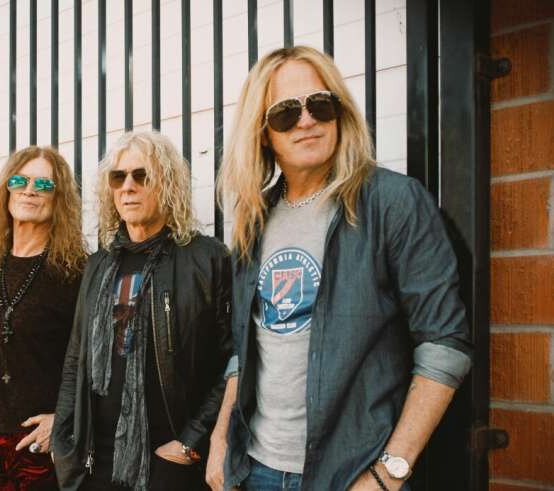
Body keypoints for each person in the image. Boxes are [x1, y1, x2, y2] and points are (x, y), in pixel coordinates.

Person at [207, 45, 473, 491]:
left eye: (320, 104)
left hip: (353, 473)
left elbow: (444, 345)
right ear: (263, 133)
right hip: (257, 469)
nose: (306, 120)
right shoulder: (255, 220)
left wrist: (389, 473)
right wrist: (220, 441)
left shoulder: (392, 202)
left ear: (340, 112)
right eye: (285, 113)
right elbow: (245, 348)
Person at [52, 131, 233, 491]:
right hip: (95, 461)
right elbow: (76, 357)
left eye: (142, 175)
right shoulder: (98, 265)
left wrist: (191, 441)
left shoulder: (206, 259)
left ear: (167, 184)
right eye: (118, 177)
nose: (128, 187)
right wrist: (63, 437)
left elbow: (234, 360)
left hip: (167, 460)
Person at [0, 146, 88, 490]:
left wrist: (62, 419)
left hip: (41, 448)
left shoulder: (75, 271)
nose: (29, 190)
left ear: (59, 198)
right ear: (6, 190)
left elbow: (92, 360)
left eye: (44, 184)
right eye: (19, 181)